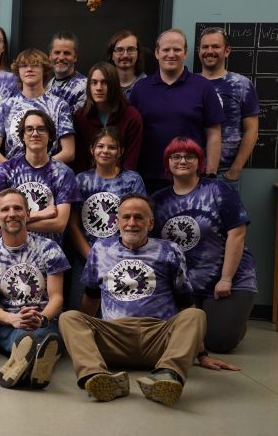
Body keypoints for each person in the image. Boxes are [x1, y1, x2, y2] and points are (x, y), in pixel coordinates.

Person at [59, 193, 234, 406]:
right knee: (69, 317)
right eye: (126, 217)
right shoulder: (101, 249)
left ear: (150, 224)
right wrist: (79, 339)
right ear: (117, 221)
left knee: (195, 314)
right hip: (114, 338)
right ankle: (97, 376)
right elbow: (91, 296)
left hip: (158, 339)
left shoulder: (170, 251)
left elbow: (185, 300)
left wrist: (202, 354)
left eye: (139, 217)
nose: (132, 223)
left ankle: (167, 374)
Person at [153, 138, 257, 354]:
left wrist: (226, 278)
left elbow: (237, 234)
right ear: (167, 162)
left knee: (218, 343)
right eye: (176, 156)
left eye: (189, 156)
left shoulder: (217, 189)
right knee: (171, 337)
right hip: (185, 284)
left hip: (227, 280)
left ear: (199, 161)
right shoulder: (158, 200)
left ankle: (233, 321)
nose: (182, 161)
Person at [0, 188, 68, 389]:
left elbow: (57, 298)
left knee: (43, 335)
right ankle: (36, 361)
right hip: (7, 323)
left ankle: (23, 361)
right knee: (26, 337)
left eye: (17, 208)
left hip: (44, 320)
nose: (12, 214)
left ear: (27, 214)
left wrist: (41, 318)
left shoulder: (49, 249)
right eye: (5, 209)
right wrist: (13, 319)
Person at [129, 29, 224, 191]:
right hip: (147, 177)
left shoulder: (203, 87)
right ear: (157, 53)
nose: (171, 54)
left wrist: (211, 173)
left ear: (185, 53)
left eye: (177, 49)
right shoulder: (140, 88)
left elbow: (214, 132)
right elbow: (131, 133)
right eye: (166, 49)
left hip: (190, 176)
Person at [67, 128, 146, 308]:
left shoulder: (132, 180)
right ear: (92, 149)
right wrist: (93, 256)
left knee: (115, 314)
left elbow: (139, 221)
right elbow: (72, 225)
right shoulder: (81, 180)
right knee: (78, 313)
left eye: (111, 147)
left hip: (122, 257)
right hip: (86, 258)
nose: (105, 151)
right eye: (100, 146)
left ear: (120, 151)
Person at [0, 110, 79, 245]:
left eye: (41, 129)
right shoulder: (6, 169)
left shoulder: (64, 173)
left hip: (48, 251)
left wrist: (12, 222)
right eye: (29, 129)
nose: (35, 134)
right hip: (11, 250)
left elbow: (59, 224)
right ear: (23, 136)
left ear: (50, 136)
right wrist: (41, 214)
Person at [0, 48, 74, 165]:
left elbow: (69, 152)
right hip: (13, 172)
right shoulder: (5, 106)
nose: (29, 69)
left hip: (50, 172)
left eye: (35, 65)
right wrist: (12, 171)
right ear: (18, 71)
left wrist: (41, 169)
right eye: (24, 66)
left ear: (44, 70)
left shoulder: (59, 105)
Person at [197, 27, 260, 190]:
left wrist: (234, 171)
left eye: (215, 46)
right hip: (190, 172)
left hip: (225, 174)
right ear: (199, 51)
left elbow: (252, 130)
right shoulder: (189, 84)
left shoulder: (241, 84)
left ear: (227, 51)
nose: (209, 51)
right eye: (205, 47)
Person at [71, 61, 143, 174]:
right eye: (94, 83)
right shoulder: (80, 117)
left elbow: (131, 161)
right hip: (88, 180)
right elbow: (80, 161)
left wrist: (121, 180)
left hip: (123, 180)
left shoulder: (131, 116)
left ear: (114, 85)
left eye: (104, 83)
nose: (99, 88)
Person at [45, 31, 87, 112]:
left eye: (67, 53)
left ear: (75, 57)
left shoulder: (85, 86)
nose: (61, 57)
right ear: (50, 55)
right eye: (57, 52)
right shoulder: (46, 86)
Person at [107, 29, 147, 98]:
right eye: (119, 50)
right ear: (112, 56)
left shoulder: (148, 87)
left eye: (131, 49)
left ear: (138, 54)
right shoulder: (102, 85)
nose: (125, 55)